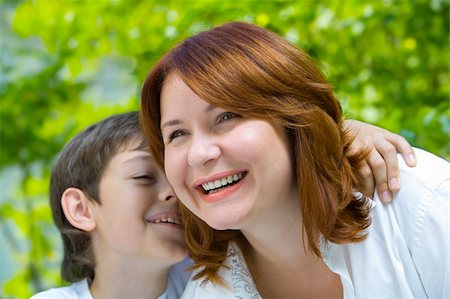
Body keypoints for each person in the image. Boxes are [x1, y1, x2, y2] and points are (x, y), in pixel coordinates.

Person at [140, 22, 449, 298]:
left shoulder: (416, 205)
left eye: (227, 116)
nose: (199, 153)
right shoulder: (208, 292)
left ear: (292, 120)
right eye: (177, 134)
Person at [31, 112, 190, 299]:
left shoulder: (219, 282)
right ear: (81, 210)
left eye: (180, 178)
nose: (175, 191)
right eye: (143, 176)